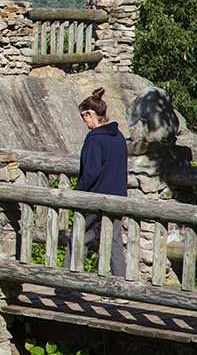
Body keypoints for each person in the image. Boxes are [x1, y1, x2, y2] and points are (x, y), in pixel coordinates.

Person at [70, 87, 127, 278]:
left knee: (79, 236)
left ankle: (68, 285)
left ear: (90, 114)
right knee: (114, 240)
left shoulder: (94, 139)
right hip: (117, 197)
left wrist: (77, 192)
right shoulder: (118, 137)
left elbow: (90, 172)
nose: (84, 122)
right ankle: (121, 287)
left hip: (94, 198)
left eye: (84, 117)